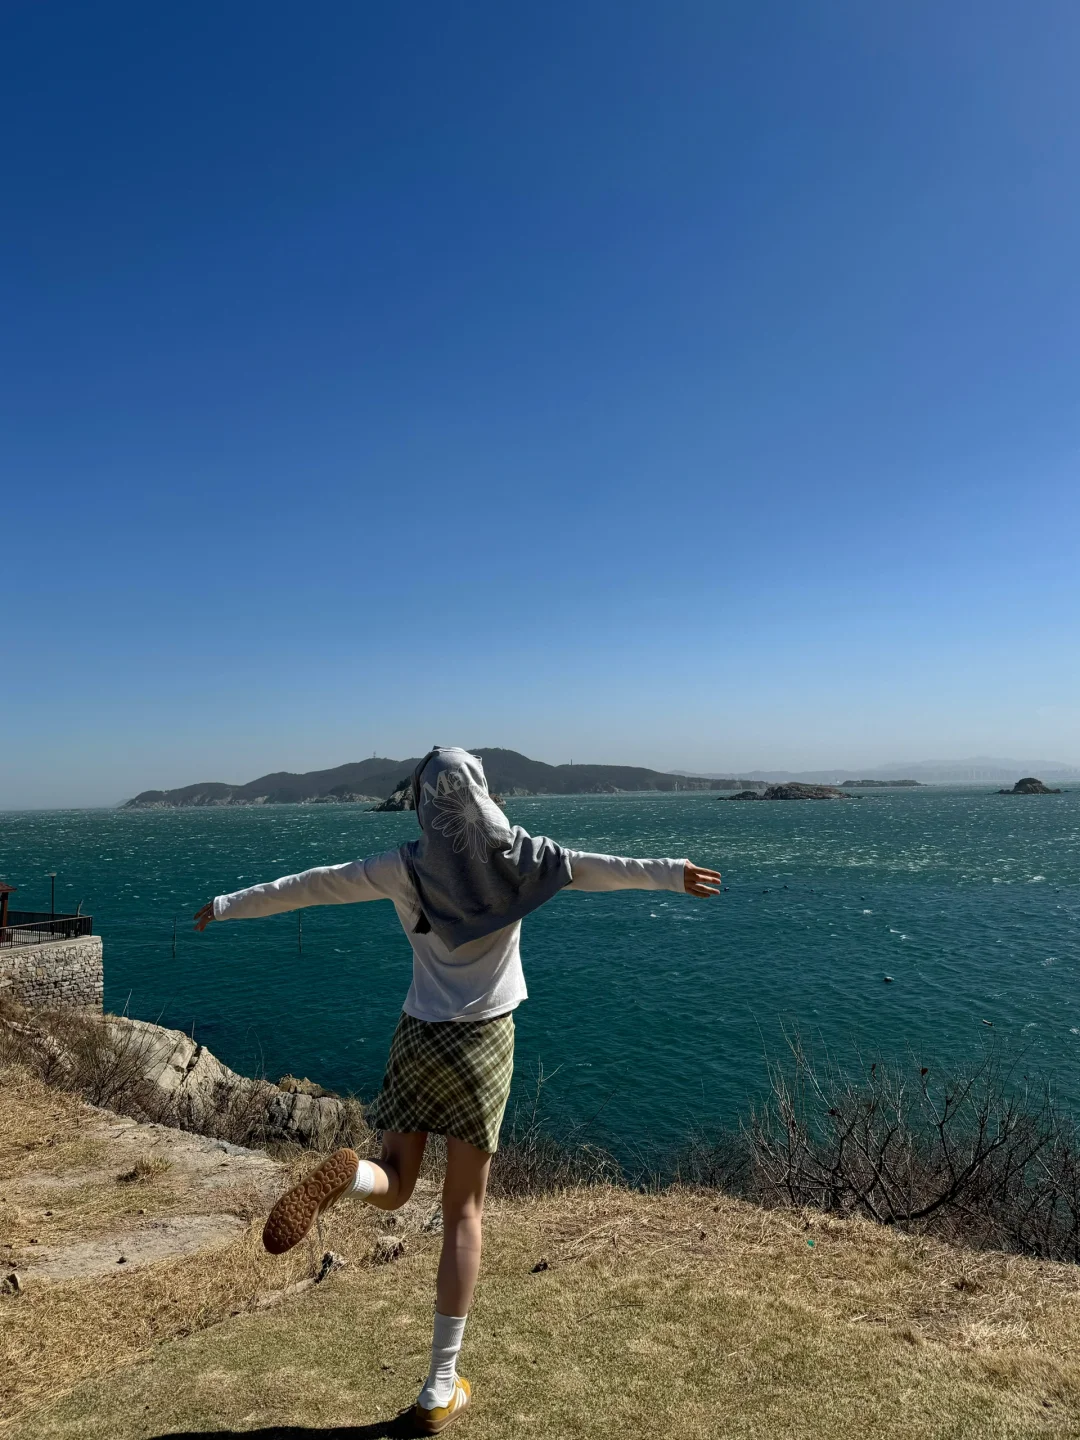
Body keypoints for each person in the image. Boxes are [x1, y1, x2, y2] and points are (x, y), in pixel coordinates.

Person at [194, 746, 720, 1434]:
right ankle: (440, 1386)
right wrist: (671, 874)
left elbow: (314, 884)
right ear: (482, 793)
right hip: (483, 1045)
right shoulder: (525, 858)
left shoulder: (402, 866)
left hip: (418, 1036)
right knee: (463, 1213)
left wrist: (227, 904)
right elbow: (598, 869)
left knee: (400, 1181)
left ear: (420, 802)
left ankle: (354, 1176)